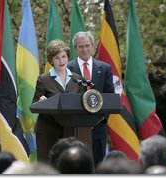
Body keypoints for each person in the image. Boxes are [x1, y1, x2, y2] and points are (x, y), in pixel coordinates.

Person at [32, 39, 86, 163]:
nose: (61, 61)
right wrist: (41, 101)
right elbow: (33, 104)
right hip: (48, 130)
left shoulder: (77, 78)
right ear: (51, 60)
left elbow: (82, 103)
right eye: (57, 58)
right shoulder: (43, 79)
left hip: (72, 130)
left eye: (64, 57)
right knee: (49, 168)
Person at [67, 31, 115, 166]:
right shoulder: (68, 69)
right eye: (81, 46)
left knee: (98, 165)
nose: (85, 49)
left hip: (98, 126)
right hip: (75, 127)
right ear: (75, 48)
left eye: (87, 45)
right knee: (76, 166)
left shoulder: (105, 68)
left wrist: (100, 118)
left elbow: (109, 96)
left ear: (93, 46)